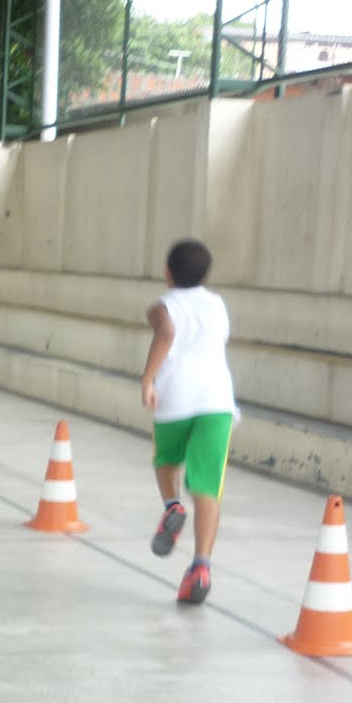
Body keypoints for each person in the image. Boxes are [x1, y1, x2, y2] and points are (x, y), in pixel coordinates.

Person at [140, 237, 236, 606]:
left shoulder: (165, 306)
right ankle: (201, 565)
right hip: (216, 401)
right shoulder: (217, 304)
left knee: (166, 461)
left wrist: (147, 379)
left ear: (167, 272)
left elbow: (165, 331)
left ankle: (171, 507)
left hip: (175, 397)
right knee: (207, 487)